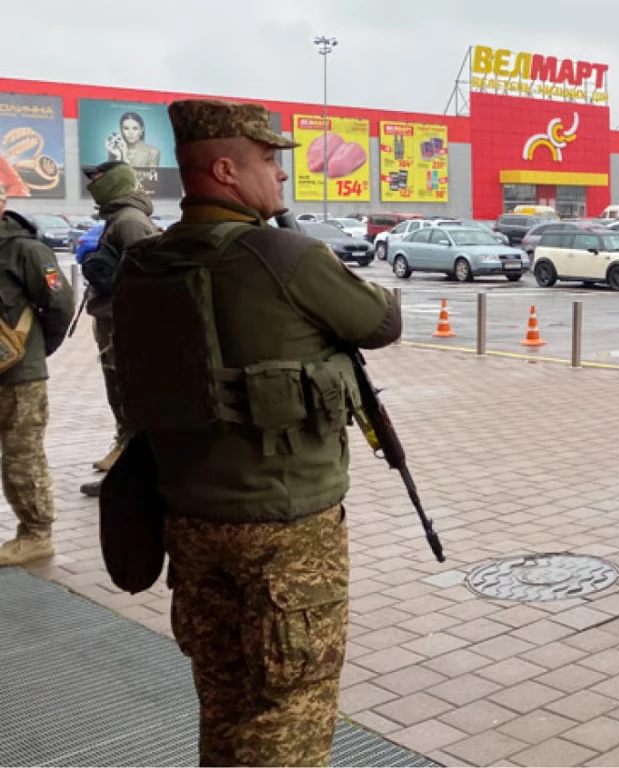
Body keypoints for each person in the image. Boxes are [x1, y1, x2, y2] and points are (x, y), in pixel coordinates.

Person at [109, 98, 401, 765]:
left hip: (189, 521)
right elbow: (381, 324)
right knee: (290, 711)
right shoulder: (283, 256)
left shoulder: (147, 264)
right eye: (270, 162)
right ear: (225, 171)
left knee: (227, 701)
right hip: (287, 532)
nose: (282, 176)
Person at [0, 185, 76, 566]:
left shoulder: (25, 250)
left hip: (18, 376)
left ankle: (36, 534)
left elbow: (60, 304)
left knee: (21, 456)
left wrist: (37, 351)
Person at [79, 160, 160, 498]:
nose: (92, 183)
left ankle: (130, 477)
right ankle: (125, 464)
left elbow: (151, 279)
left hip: (125, 324)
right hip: (114, 319)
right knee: (119, 395)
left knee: (129, 396)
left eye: (97, 178)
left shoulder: (130, 222)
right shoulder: (119, 219)